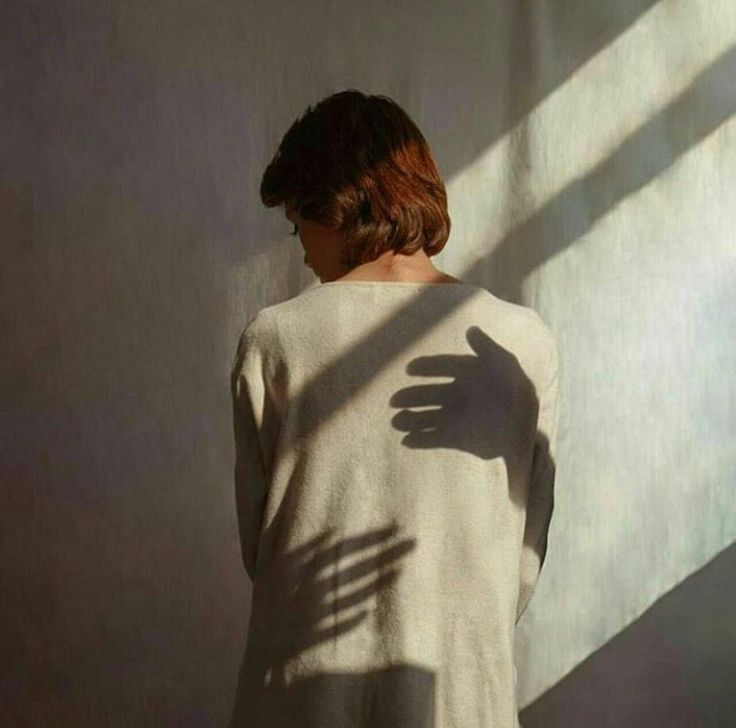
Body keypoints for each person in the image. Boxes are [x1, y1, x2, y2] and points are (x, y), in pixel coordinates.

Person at [229, 89, 560, 728]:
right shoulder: (524, 341)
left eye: (299, 224)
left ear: (337, 203)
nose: (302, 250)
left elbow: (262, 551)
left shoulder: (274, 341)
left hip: (301, 701)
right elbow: (523, 562)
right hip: (461, 699)